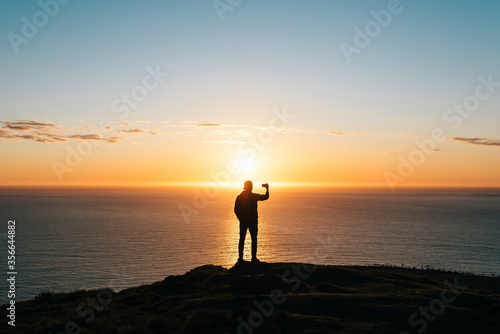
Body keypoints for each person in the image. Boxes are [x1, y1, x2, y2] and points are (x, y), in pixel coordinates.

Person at [234, 180, 269, 263]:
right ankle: (253, 258)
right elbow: (266, 197)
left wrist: (241, 219)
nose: (252, 187)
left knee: (242, 239)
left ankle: (241, 258)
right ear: (250, 187)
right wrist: (267, 189)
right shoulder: (253, 196)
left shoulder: (239, 197)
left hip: (244, 221)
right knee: (253, 239)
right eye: (251, 186)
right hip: (252, 220)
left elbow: (236, 210)